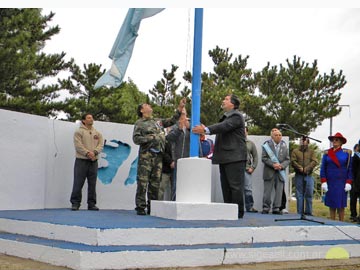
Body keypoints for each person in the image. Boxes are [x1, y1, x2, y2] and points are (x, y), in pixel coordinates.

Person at [192, 94, 247, 219]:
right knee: (226, 186)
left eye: (226, 99)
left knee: (235, 187)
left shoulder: (236, 116)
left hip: (235, 157)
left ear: (233, 104)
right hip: (226, 157)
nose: (223, 100)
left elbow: (224, 127)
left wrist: (205, 129)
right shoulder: (226, 117)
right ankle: (229, 211)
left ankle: (238, 213)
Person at [132, 98, 186, 215]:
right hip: (146, 156)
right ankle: (141, 207)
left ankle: (153, 207)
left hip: (158, 156)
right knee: (143, 182)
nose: (149, 105)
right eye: (146, 105)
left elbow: (171, 121)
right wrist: (151, 138)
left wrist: (180, 108)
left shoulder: (157, 122)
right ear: (142, 110)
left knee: (155, 183)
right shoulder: (140, 123)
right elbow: (136, 139)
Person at [70, 113, 104, 211]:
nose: (91, 119)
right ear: (83, 120)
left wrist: (94, 152)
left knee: (92, 184)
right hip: (81, 161)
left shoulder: (97, 133)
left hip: (93, 161)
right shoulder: (78, 132)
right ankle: (75, 203)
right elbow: (78, 145)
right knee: (78, 182)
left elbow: (101, 145)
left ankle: (91, 204)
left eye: (92, 118)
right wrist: (87, 153)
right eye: (89, 118)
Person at [320, 132, 353, 221]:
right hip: (330, 181)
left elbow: (350, 169)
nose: (334, 141)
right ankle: (332, 222)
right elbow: (323, 168)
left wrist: (349, 182)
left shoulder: (347, 153)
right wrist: (323, 181)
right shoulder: (327, 153)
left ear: (341, 142)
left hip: (341, 182)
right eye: (333, 140)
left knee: (341, 204)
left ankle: (341, 223)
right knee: (332, 204)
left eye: (336, 139)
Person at [261, 128, 290, 215]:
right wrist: (273, 164)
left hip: (280, 172)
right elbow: (264, 158)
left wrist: (281, 166)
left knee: (279, 191)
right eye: (276, 135)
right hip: (269, 171)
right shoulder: (266, 145)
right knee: (267, 191)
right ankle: (266, 207)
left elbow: (287, 160)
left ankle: (276, 208)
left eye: (280, 135)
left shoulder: (284, 146)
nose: (278, 137)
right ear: (272, 137)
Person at [166, 108, 191, 201]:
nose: (183, 116)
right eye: (181, 114)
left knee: (189, 184)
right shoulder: (174, 126)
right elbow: (169, 138)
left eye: (184, 113)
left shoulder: (193, 124)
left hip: (190, 161)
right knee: (176, 184)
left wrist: (189, 127)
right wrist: (179, 129)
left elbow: (199, 140)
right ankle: (174, 201)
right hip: (178, 160)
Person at [291, 136, 318, 216]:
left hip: (308, 175)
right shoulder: (295, 151)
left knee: (309, 194)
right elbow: (293, 161)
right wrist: (300, 168)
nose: (302, 141)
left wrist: (307, 168)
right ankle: (300, 212)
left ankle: (309, 212)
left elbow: (314, 161)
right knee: (299, 194)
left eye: (304, 140)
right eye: (301, 140)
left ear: (308, 142)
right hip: (299, 175)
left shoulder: (311, 151)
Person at [244, 127, 259, 213]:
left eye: (244, 131)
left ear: (247, 133)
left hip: (246, 169)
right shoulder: (235, 142)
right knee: (235, 189)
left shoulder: (251, 144)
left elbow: (255, 157)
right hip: (236, 170)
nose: (243, 133)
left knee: (248, 189)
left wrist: (253, 167)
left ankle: (249, 207)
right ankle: (235, 207)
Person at [350, 143, 360, 222]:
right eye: (357, 147)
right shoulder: (353, 158)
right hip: (354, 181)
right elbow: (352, 170)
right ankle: (353, 215)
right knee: (353, 199)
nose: (358, 148)